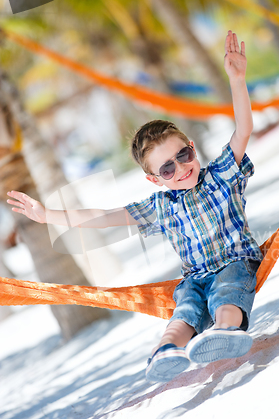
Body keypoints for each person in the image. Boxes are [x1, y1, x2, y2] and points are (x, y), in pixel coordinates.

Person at [7, 30, 263, 383]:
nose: (181, 167)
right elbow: (103, 218)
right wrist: (47, 215)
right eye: (167, 168)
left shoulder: (221, 174)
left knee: (226, 293)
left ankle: (226, 331)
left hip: (236, 262)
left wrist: (237, 80)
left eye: (183, 155)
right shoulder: (159, 206)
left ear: (192, 147)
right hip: (194, 278)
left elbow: (244, 129)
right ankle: (167, 351)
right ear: (155, 180)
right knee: (183, 310)